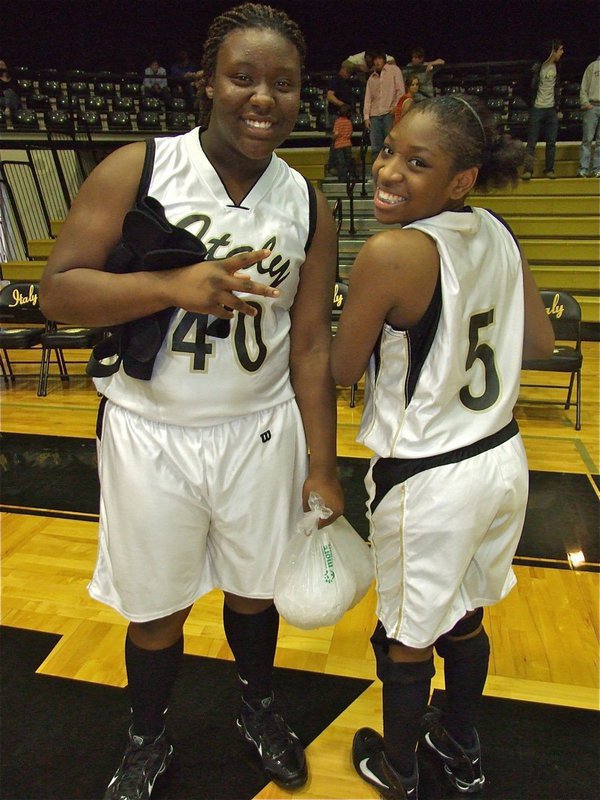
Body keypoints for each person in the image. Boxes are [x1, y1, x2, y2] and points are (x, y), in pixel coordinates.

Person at [39, 4, 344, 799]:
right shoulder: (138, 167)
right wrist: (173, 285)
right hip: (150, 428)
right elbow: (58, 292)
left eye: (283, 83)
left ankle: (259, 707)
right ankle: (147, 734)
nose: (263, 97)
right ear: (206, 82)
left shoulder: (308, 203)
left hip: (259, 429)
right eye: (243, 77)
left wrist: (325, 462)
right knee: (156, 606)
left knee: (255, 588)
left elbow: (310, 345)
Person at [331, 95, 554, 799]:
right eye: (390, 148)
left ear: (460, 179)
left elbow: (337, 370)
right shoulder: (498, 231)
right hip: (501, 460)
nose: (389, 170)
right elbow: (540, 345)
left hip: (428, 478)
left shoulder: (393, 250)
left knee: (406, 635)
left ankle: (398, 772)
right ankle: (459, 744)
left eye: (417, 162)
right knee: (464, 612)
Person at [522, 39, 564, 180]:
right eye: (560, 50)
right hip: (537, 108)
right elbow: (524, 85)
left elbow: (557, 89)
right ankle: (528, 170)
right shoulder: (536, 67)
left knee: (551, 142)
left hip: (551, 109)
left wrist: (557, 107)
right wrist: (530, 103)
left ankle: (549, 169)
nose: (562, 53)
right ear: (554, 51)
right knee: (531, 141)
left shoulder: (558, 68)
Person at [363, 50, 405, 164]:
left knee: (390, 144)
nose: (377, 62)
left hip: (389, 113)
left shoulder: (394, 70)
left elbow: (400, 91)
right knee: (376, 147)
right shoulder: (371, 78)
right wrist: (366, 117)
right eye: (375, 60)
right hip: (375, 115)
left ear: (384, 59)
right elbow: (368, 99)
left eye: (379, 59)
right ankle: (377, 173)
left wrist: (396, 107)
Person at [326, 61, 355, 174]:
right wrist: (342, 105)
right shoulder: (336, 80)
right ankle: (333, 165)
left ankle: (341, 166)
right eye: (348, 71)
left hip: (345, 115)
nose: (348, 74)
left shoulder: (346, 82)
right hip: (336, 114)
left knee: (342, 141)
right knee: (336, 141)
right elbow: (330, 96)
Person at [577, 55, 600, 177]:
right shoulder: (592, 66)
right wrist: (586, 103)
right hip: (592, 105)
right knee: (587, 139)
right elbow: (584, 87)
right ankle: (583, 168)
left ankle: (597, 168)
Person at [331, 103, 354, 181]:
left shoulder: (338, 121)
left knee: (341, 162)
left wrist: (333, 138)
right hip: (348, 144)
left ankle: (342, 178)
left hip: (339, 145)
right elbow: (350, 133)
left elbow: (336, 133)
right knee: (348, 161)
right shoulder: (349, 122)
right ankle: (349, 176)